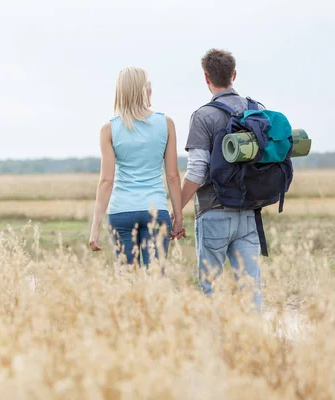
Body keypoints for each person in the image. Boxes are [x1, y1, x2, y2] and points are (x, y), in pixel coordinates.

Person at [178, 48, 262, 312]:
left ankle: (216, 346)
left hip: (213, 211)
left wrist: (176, 209)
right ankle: (255, 347)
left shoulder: (203, 116)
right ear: (234, 74)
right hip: (249, 211)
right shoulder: (257, 109)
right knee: (250, 290)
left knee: (212, 288)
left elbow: (196, 171)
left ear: (206, 78)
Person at [88, 67, 184, 267]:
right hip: (155, 210)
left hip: (121, 212)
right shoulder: (166, 124)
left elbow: (106, 181)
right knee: (155, 281)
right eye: (149, 85)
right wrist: (178, 217)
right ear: (144, 90)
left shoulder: (109, 129)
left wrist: (95, 227)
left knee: (128, 281)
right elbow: (173, 176)